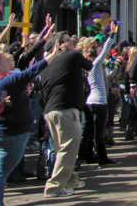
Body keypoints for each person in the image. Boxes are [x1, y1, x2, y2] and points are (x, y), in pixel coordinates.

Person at [0, 41, 59, 206]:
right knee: (0, 173)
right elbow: (32, 71)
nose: (10, 64)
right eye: (5, 61)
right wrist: (52, 55)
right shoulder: (7, 81)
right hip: (9, 134)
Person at [41, 31, 93, 197]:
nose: (72, 42)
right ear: (59, 45)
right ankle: (54, 187)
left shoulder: (48, 64)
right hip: (65, 109)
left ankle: (71, 180)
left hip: (51, 110)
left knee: (62, 149)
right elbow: (89, 65)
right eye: (68, 41)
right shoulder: (72, 56)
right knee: (69, 147)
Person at [82, 22, 119, 167]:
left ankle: (89, 155)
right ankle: (102, 157)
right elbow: (105, 52)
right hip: (98, 102)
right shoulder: (95, 64)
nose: (101, 50)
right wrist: (112, 34)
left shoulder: (93, 65)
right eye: (98, 48)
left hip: (92, 100)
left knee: (91, 131)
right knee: (99, 132)